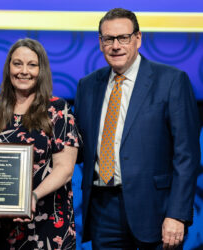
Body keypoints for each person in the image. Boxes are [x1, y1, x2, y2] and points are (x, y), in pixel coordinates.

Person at [74, 8, 200, 250]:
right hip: (102, 211)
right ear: (100, 43)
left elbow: (187, 156)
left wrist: (177, 214)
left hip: (156, 211)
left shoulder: (172, 81)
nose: (116, 45)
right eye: (109, 39)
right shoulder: (87, 86)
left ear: (138, 39)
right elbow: (77, 148)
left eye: (124, 37)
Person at [0, 38, 80, 249]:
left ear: (41, 70)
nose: (24, 71)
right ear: (9, 68)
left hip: (48, 225)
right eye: (17, 64)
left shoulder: (57, 110)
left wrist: (32, 197)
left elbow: (65, 169)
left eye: (32, 65)